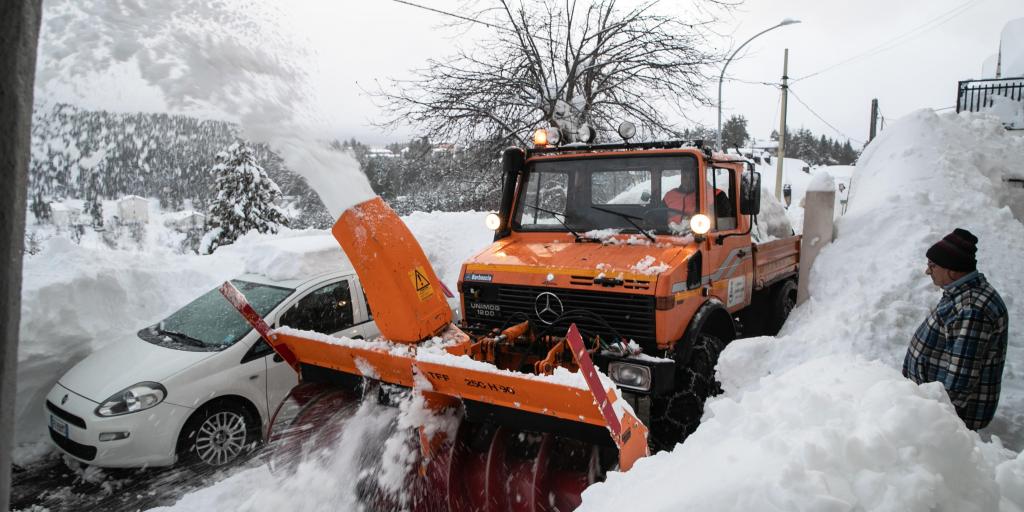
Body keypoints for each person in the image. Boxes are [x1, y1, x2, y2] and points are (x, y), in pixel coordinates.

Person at [902, 228, 1008, 430]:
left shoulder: (972, 310)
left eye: (932, 266)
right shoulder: (962, 294)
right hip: (933, 408)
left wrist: (936, 423)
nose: (927, 271)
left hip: (946, 420)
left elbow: (960, 380)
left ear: (952, 269)